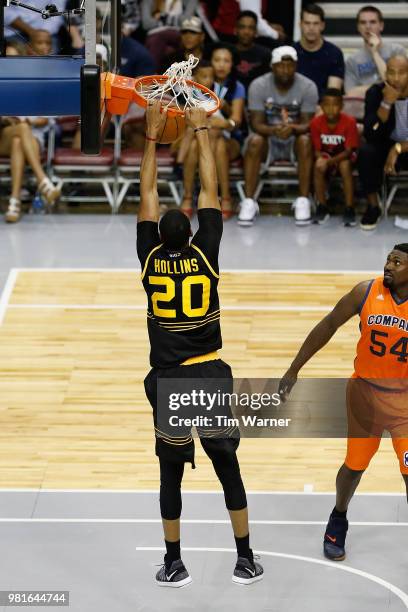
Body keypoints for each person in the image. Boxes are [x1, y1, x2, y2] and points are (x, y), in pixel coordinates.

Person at [137, 99, 263, 586]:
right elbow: (211, 188)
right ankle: (245, 558)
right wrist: (202, 129)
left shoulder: (149, 261)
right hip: (208, 373)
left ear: (155, 238)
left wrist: (152, 136)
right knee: (227, 468)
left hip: (168, 379)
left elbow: (147, 189)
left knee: (171, 474)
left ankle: (173, 562)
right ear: (191, 234)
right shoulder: (205, 253)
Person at [279, 244, 408, 561]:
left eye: (398, 262)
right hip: (365, 394)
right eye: (388, 259)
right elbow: (328, 325)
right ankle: (338, 516)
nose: (388, 265)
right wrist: (294, 368)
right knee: (354, 467)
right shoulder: (365, 292)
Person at [239, 45, 318, 227]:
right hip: (268, 139)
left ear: (296, 66)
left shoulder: (308, 86)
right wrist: (275, 130)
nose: (285, 70)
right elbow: (256, 124)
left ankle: (303, 200)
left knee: (306, 140)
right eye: (280, 65)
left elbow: (308, 124)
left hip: (295, 139)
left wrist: (291, 128)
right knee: (254, 141)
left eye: (290, 65)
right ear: (272, 67)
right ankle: (249, 201)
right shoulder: (258, 85)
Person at [180, 46, 245, 220]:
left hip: (229, 138)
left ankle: (200, 197)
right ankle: (219, 198)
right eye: (217, 60)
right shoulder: (195, 85)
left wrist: (224, 123)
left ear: (232, 65)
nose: (221, 65)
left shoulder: (236, 87)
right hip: (197, 137)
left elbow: (236, 121)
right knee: (199, 144)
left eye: (226, 61)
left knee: (220, 144)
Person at [358, 54, 408, 231]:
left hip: (404, 147)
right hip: (385, 145)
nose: (396, 78)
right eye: (391, 73)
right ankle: (373, 206)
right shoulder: (375, 93)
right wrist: (386, 104)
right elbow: (371, 133)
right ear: (385, 74)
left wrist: (398, 148)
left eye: (401, 73)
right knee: (366, 151)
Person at [310, 89, 359, 226]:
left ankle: (349, 208)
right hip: (326, 156)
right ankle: (322, 207)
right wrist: (321, 160)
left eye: (335, 105)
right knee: (318, 166)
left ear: (342, 106)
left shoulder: (349, 122)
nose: (331, 109)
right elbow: (317, 149)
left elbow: (349, 151)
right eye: (327, 105)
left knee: (344, 165)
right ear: (321, 106)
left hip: (345, 156)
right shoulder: (315, 123)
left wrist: (329, 162)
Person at [345, 5, 407, 97]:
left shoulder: (397, 51)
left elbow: (396, 84)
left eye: (373, 22)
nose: (368, 26)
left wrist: (375, 53)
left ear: (381, 26)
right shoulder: (352, 60)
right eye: (363, 22)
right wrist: (382, 87)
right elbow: (350, 93)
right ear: (358, 27)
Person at [294, 4, 344, 97]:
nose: (311, 28)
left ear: (322, 26)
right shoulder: (291, 53)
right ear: (300, 25)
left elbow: (333, 93)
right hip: (295, 107)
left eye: (315, 23)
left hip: (324, 108)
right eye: (307, 23)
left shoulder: (334, 53)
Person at [141, 0, 198, 69]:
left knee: (159, 37)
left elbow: (186, 20)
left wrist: (162, 17)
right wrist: (174, 19)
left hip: (176, 33)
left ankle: (150, 72)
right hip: (154, 35)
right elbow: (146, 24)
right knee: (168, 50)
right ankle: (165, 74)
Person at [234, 10, 272, 91]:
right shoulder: (228, 52)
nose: (246, 32)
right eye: (242, 27)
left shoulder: (265, 54)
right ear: (235, 30)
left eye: (251, 28)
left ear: (256, 32)